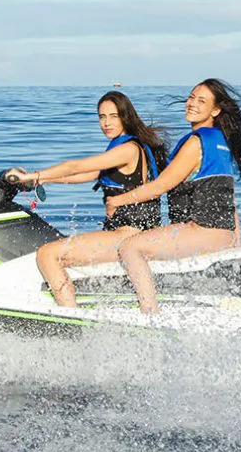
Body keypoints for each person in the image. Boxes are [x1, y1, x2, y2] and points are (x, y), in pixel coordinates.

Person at [105, 78, 241, 314]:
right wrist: (236, 237)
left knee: (131, 248)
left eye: (201, 100)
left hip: (202, 230)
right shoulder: (220, 142)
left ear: (216, 110)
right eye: (191, 97)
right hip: (220, 233)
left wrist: (118, 200)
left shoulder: (196, 142)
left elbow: (161, 185)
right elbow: (228, 198)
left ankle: (149, 313)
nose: (192, 103)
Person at [9, 91, 168, 307]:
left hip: (130, 234)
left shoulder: (128, 149)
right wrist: (45, 181)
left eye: (113, 116)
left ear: (126, 117)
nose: (106, 123)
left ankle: (70, 318)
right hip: (125, 232)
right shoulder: (125, 146)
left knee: (48, 253)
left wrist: (34, 175)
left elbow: (77, 165)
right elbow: (87, 175)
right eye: (102, 117)